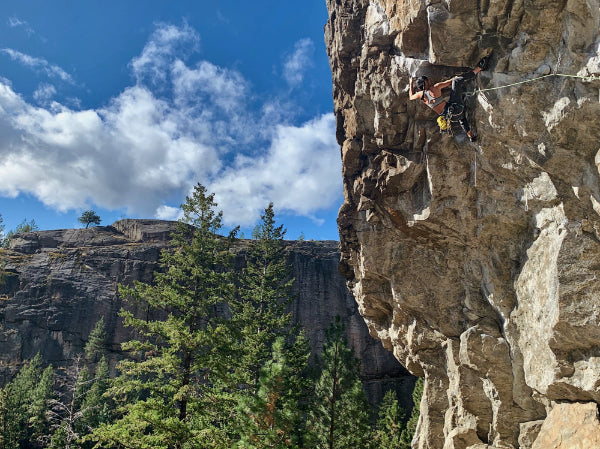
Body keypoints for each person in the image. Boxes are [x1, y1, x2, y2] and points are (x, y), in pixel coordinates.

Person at [409, 55, 490, 142]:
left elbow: (410, 97)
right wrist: (456, 77)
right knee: (456, 82)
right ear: (427, 81)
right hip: (456, 107)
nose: (430, 80)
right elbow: (451, 81)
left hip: (451, 118)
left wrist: (411, 85)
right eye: (428, 80)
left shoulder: (420, 95)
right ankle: (479, 68)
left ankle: (471, 136)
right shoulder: (435, 87)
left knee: (461, 117)